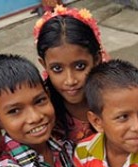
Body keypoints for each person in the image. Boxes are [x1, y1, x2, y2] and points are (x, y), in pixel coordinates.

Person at [34, 5, 108, 143]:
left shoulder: (114, 95)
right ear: (44, 65)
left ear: (97, 60)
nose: (70, 80)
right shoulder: (43, 112)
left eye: (80, 66)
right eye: (57, 69)